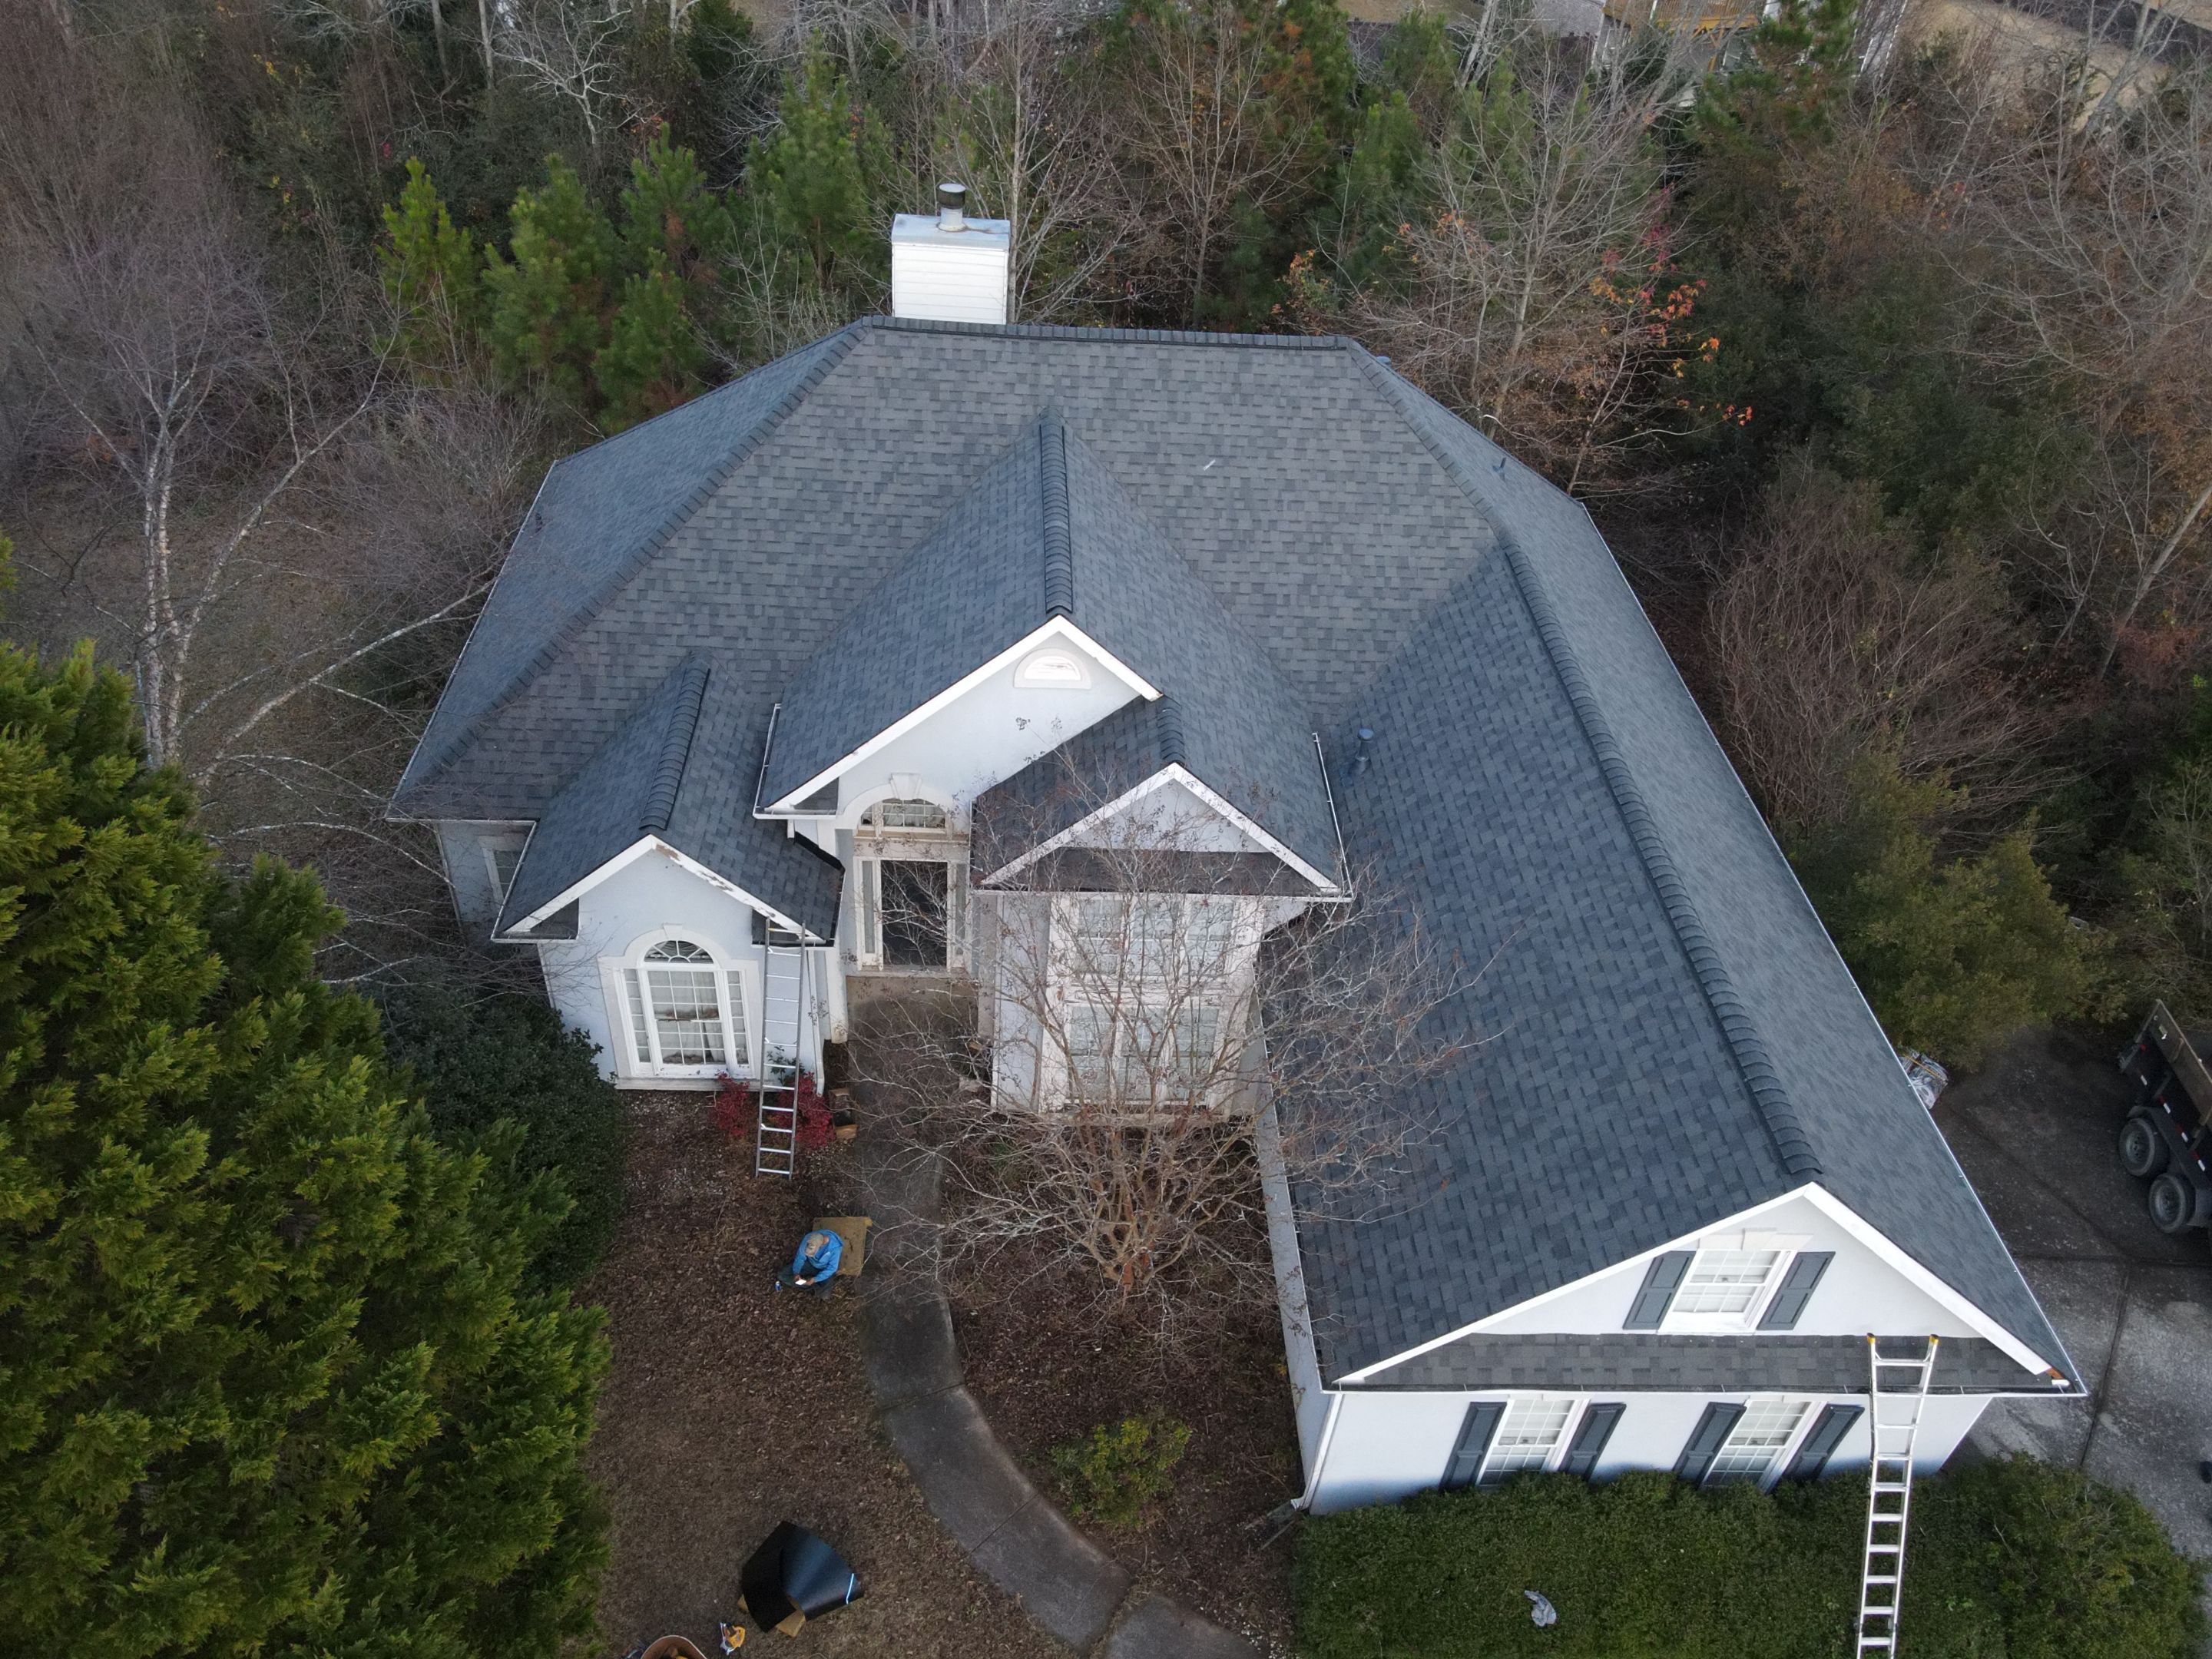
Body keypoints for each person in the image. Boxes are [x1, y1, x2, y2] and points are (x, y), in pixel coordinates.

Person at [776, 1228, 843, 1297]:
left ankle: (814, 1285)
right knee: (782, 1275)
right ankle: (811, 1287)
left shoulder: (835, 1248)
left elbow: (832, 1268)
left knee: (825, 1296)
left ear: (820, 1246)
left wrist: (815, 1279)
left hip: (824, 1269)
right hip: (810, 1264)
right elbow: (800, 1257)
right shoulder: (809, 1238)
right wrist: (796, 1272)